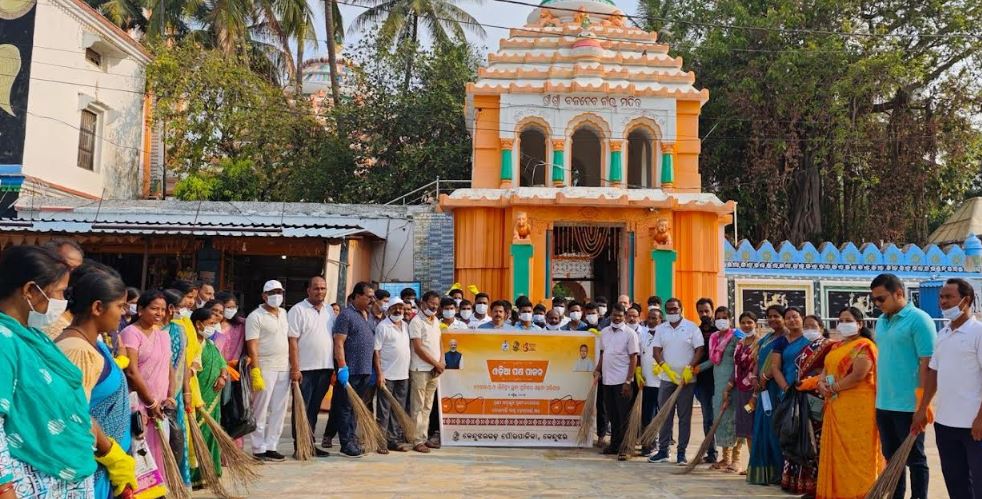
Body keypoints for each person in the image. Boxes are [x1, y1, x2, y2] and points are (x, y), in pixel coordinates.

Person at [0, 245, 116, 497]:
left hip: (66, 473)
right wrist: (4, 488)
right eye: (60, 292)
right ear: (30, 291)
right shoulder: (4, 340)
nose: (63, 302)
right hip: (31, 477)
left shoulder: (33, 337)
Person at [56, 262, 138, 498]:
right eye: (120, 306)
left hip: (104, 467)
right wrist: (112, 455)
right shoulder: (76, 350)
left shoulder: (94, 343)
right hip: (93, 465)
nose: (123, 313)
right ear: (97, 307)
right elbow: (75, 415)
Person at [800, 307, 881, 499]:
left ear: (860, 324)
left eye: (848, 320)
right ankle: (838, 492)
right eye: (841, 320)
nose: (844, 324)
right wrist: (821, 384)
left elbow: (859, 375)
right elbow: (825, 371)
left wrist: (833, 387)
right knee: (837, 452)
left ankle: (859, 493)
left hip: (859, 407)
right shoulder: (837, 346)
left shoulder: (865, 346)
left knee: (858, 452)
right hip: (836, 406)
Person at [913, 278, 981, 498]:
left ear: (966, 300)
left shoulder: (978, 333)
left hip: (974, 426)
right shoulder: (943, 334)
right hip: (945, 425)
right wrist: (923, 408)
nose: (943, 301)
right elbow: (933, 373)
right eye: (941, 297)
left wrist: (980, 418)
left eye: (949, 297)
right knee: (956, 484)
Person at [870, 273, 935, 499]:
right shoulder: (881, 321)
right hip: (884, 403)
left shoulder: (919, 320)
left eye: (881, 299)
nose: (877, 304)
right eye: (874, 300)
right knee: (891, 458)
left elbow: (928, 365)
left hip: (909, 406)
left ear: (899, 293)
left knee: (915, 460)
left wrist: (922, 406)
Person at [771, 307, 829, 496]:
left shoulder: (828, 346)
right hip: (795, 395)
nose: (809, 329)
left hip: (818, 397)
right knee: (796, 435)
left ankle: (818, 483)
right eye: (807, 326)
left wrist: (812, 382)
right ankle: (798, 482)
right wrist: (787, 388)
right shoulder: (792, 344)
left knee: (814, 440)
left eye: (813, 326)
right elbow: (775, 367)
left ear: (821, 327)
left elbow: (829, 371)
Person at [121, 290, 174, 488]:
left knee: (159, 451)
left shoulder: (163, 335)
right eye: (154, 308)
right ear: (141, 309)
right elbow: (131, 371)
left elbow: (169, 367)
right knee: (139, 455)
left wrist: (170, 396)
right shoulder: (130, 333)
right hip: (139, 405)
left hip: (160, 406)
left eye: (162, 309)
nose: (159, 313)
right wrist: (150, 403)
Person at [649, 298, 704, 465]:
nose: (672, 312)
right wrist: (664, 367)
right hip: (667, 379)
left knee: (684, 417)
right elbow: (656, 351)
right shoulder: (661, 329)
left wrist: (690, 367)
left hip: (686, 380)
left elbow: (700, 349)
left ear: (681, 309)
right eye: (669, 309)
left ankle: (681, 453)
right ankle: (663, 451)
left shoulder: (692, 327)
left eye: (675, 309)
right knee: (665, 415)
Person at [244, 280, 294, 462]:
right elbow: (252, 346)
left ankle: (272, 445)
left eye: (279, 292)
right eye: (272, 293)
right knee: (260, 409)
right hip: (265, 366)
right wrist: (255, 371)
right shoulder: (255, 317)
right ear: (264, 296)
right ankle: (258, 448)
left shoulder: (284, 313)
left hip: (283, 367)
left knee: (279, 409)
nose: (277, 296)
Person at [287, 276, 334, 458]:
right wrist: (295, 368)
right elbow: (292, 340)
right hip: (304, 370)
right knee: (302, 409)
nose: (320, 291)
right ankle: (300, 447)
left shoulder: (329, 310)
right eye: (316, 288)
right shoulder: (298, 310)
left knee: (314, 409)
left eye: (323, 288)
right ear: (308, 290)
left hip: (325, 368)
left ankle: (310, 445)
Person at [333, 281, 378, 458]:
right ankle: (346, 444)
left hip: (365, 370)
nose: (372, 300)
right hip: (350, 370)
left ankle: (352, 439)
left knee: (355, 407)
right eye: (369, 297)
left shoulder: (369, 316)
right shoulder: (346, 315)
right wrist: (342, 367)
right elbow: (338, 342)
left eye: (373, 297)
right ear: (357, 296)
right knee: (345, 407)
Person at [747, 304, 788, 485]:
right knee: (761, 428)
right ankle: (764, 473)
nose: (772, 319)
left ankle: (779, 472)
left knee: (775, 429)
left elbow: (777, 363)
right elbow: (758, 360)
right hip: (762, 388)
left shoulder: (787, 338)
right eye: (769, 316)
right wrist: (754, 377)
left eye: (776, 316)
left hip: (776, 387)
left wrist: (765, 377)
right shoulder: (767, 338)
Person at [593, 304, 640, 461]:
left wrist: (629, 380)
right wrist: (598, 369)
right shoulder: (604, 332)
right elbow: (603, 353)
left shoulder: (630, 334)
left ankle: (626, 447)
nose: (617, 318)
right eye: (614, 315)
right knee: (612, 414)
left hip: (623, 381)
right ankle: (615, 444)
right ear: (610, 315)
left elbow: (633, 358)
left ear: (624, 317)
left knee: (624, 416)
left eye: (620, 315)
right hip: (607, 380)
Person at [188, 307, 228, 485]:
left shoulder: (210, 344)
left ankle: (212, 471)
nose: (214, 327)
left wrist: (223, 376)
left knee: (212, 434)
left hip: (214, 397)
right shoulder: (191, 345)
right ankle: (197, 476)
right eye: (211, 323)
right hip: (198, 400)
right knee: (198, 435)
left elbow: (222, 363)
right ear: (198, 324)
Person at [698, 306, 738, 472]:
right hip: (718, 385)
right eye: (719, 317)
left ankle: (735, 460)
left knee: (734, 421)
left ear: (730, 319)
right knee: (720, 421)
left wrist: (731, 383)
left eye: (724, 317)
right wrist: (696, 369)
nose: (721, 320)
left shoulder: (737, 336)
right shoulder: (714, 337)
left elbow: (740, 362)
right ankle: (725, 458)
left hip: (733, 385)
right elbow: (713, 361)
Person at [160, 288, 192, 486]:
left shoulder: (180, 330)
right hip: (155, 394)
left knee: (177, 437)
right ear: (170, 308)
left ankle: (175, 480)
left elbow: (184, 362)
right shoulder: (155, 331)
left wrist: (186, 390)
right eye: (181, 306)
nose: (183, 310)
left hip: (176, 392)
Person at [374, 301, 413, 452]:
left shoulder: (406, 326)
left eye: (400, 308)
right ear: (389, 309)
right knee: (384, 410)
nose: (398, 310)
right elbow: (376, 352)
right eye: (395, 308)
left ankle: (393, 440)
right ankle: (381, 441)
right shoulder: (382, 327)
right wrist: (379, 374)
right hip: (387, 375)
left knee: (398, 409)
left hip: (403, 375)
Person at [409, 290, 444, 453]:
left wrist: (441, 361)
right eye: (431, 303)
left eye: (437, 304)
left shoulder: (436, 320)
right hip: (420, 369)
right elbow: (418, 348)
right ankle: (416, 440)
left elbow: (439, 342)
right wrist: (436, 363)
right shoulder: (416, 321)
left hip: (434, 370)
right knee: (418, 406)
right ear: (423, 303)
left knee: (427, 406)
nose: (434, 307)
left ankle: (423, 436)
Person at [730, 311, 759, 475]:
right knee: (747, 429)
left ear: (755, 323)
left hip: (755, 392)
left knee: (755, 428)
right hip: (741, 391)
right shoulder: (740, 343)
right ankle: (752, 464)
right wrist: (730, 385)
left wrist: (755, 394)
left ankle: (757, 465)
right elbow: (736, 366)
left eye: (750, 322)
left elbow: (760, 367)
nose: (746, 325)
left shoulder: (760, 343)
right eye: (743, 323)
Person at [693, 297, 719, 465]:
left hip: (720, 380)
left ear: (712, 311)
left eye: (707, 311)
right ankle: (711, 452)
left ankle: (730, 457)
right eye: (701, 311)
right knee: (707, 418)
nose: (704, 314)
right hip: (703, 382)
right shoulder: (695, 332)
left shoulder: (721, 331)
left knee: (724, 418)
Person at [636, 307, 661, 456]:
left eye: (654, 318)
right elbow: (638, 354)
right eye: (649, 318)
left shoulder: (665, 334)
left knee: (658, 414)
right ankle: (647, 443)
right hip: (646, 381)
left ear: (660, 320)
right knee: (647, 414)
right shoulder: (642, 333)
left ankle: (657, 444)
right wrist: (638, 371)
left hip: (661, 380)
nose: (651, 321)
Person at [213, 291, 245, 363]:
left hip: (234, 365)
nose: (232, 310)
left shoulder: (240, 324)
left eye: (234, 307)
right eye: (228, 307)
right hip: (215, 364)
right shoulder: (211, 324)